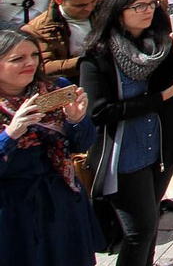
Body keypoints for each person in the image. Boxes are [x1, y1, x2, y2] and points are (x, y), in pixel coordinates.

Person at [79, 0, 173, 266]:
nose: (148, 11)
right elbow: (99, 112)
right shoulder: (97, 55)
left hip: (161, 148)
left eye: (151, 4)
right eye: (138, 6)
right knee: (139, 231)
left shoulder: (160, 43)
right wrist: (158, 99)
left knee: (150, 223)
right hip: (125, 154)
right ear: (118, 11)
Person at [0, 27, 99, 266]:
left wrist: (76, 120)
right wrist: (11, 134)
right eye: (18, 58)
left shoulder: (56, 89)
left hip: (62, 201)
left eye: (34, 55)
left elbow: (83, 144)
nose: (30, 63)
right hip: (13, 212)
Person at [22, 0, 102, 82]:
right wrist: (86, 61)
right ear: (59, 1)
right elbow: (44, 67)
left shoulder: (105, 2)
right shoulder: (38, 29)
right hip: (73, 80)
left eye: (93, 1)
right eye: (80, 5)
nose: (89, 8)